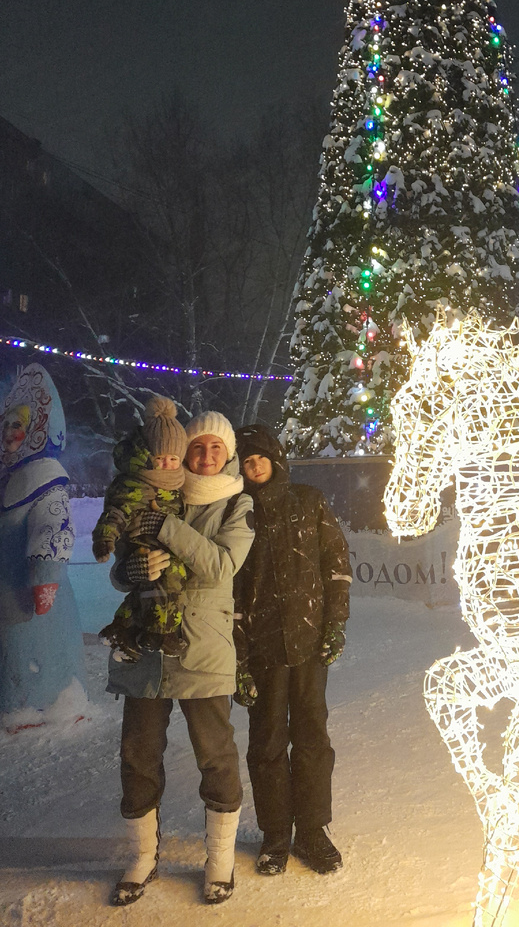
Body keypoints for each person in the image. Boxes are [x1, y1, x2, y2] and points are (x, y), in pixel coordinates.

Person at [106, 411, 254, 907]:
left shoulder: (238, 502)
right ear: (183, 451)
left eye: (216, 448)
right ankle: (143, 856)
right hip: (147, 645)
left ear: (227, 454)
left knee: (215, 755)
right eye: (197, 447)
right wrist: (131, 567)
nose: (206, 456)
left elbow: (221, 565)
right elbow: (120, 576)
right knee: (138, 753)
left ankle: (219, 859)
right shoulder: (153, 490)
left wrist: (167, 528)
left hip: (203, 647)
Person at [234, 422, 351, 877]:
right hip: (262, 651)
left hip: (308, 645)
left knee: (311, 739)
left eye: (260, 456)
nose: (255, 464)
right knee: (265, 743)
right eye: (246, 460)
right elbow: (233, 590)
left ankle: (313, 831)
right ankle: (276, 834)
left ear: (276, 458)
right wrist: (239, 659)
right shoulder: (238, 512)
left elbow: (336, 564)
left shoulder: (309, 501)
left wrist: (335, 624)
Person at [0, 364, 88, 732]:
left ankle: (43, 701)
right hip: (7, 583)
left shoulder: (45, 475)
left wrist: (46, 575)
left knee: (30, 646)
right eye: (5, 426)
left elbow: (54, 525)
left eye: (17, 426)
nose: (9, 433)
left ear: (37, 428)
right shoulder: (8, 476)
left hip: (29, 589)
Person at [93, 396, 190, 659]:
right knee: (162, 576)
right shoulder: (136, 482)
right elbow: (116, 511)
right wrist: (106, 539)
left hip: (164, 546)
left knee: (154, 584)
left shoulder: (179, 486)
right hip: (141, 542)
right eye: (161, 458)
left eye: (173, 458)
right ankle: (159, 633)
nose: (168, 465)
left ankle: (123, 629)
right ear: (148, 455)